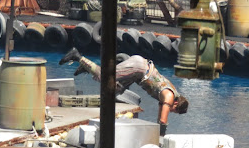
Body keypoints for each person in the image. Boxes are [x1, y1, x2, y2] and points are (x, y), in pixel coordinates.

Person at [59, 49, 188, 136]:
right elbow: (163, 120)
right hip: (139, 68)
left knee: (115, 89)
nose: (171, 111)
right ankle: (77, 56)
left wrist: (158, 133)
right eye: (174, 110)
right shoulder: (170, 96)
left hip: (138, 73)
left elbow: (159, 117)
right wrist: (162, 136)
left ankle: (88, 67)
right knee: (107, 77)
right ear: (176, 103)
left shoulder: (166, 97)